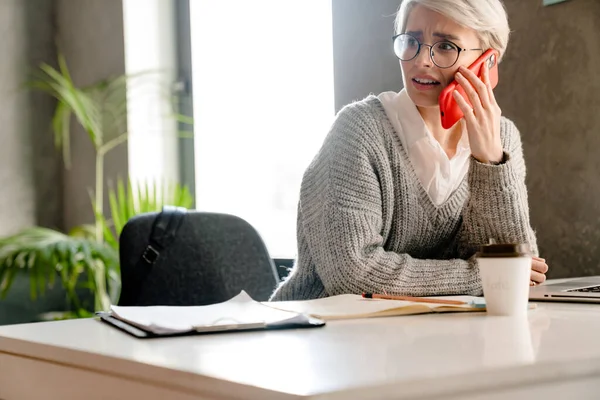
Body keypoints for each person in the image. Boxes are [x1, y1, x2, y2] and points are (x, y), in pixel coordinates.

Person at [270, 0, 548, 301]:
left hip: (426, 338)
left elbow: (521, 274)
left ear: (488, 61)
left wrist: (491, 161)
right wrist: (485, 276)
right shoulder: (359, 131)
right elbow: (353, 275)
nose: (421, 61)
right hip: (321, 335)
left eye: (444, 46)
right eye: (412, 41)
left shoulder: (502, 138)